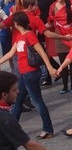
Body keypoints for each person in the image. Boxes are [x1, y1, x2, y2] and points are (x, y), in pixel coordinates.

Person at [0, 11, 58, 139]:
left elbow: (41, 51)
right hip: (24, 74)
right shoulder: (20, 36)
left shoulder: (29, 35)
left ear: (16, 23)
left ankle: (48, 129)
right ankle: (12, 127)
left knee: (37, 101)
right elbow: (10, 53)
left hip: (30, 73)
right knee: (18, 100)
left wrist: (49, 67)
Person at [0, 71, 65, 150]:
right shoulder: (6, 119)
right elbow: (29, 145)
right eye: (14, 90)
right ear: (4, 94)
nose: (18, 91)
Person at [46, 0, 72, 94]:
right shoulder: (52, 6)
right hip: (58, 36)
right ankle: (64, 86)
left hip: (71, 35)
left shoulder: (71, 7)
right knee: (62, 62)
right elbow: (50, 21)